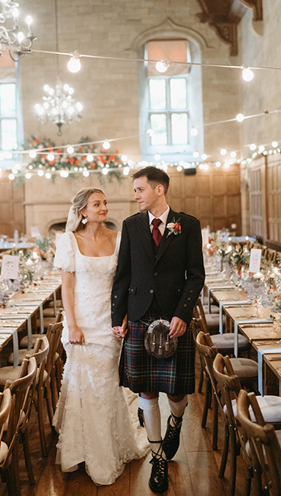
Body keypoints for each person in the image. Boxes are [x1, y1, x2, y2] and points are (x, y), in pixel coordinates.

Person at [111, 167, 204, 493]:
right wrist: (116, 317)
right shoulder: (131, 225)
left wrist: (183, 313)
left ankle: (176, 421)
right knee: (147, 390)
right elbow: (123, 275)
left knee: (176, 393)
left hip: (173, 319)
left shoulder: (187, 225)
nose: (135, 195)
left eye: (139, 189)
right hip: (138, 317)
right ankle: (158, 457)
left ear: (159, 189)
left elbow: (196, 275)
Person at [53, 187, 148, 486]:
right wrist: (72, 325)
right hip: (81, 323)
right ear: (83, 211)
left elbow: (125, 283)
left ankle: (106, 449)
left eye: (105, 203)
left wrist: (122, 318)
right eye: (97, 204)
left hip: (109, 324)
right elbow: (66, 289)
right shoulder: (68, 242)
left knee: (105, 386)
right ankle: (81, 450)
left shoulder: (119, 239)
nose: (103, 208)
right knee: (82, 386)